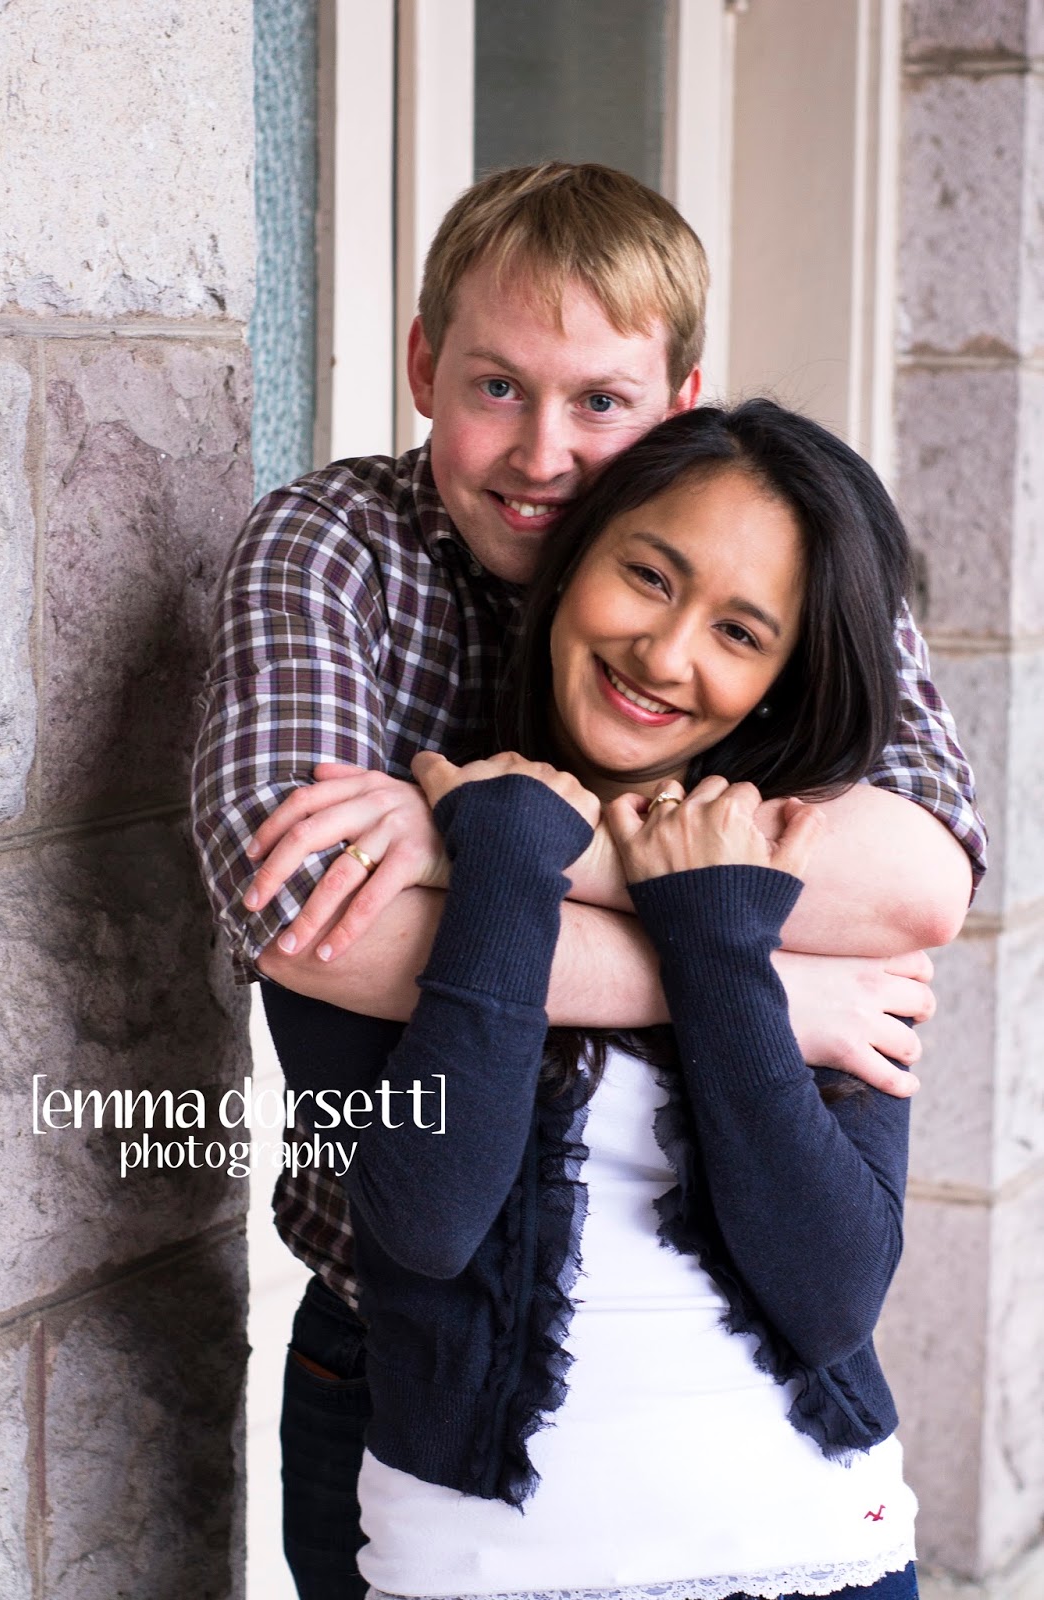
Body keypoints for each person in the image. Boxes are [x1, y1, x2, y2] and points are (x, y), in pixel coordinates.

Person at [190, 165, 984, 1597]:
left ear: (676, 407)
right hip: (417, 1388)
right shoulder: (336, 547)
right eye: (496, 386)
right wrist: (763, 985)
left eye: (601, 402)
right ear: (422, 365)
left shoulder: (779, 557)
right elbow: (306, 917)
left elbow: (916, 886)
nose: (543, 455)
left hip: (776, 1469)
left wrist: (483, 835)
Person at [269, 400, 929, 1600]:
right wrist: (503, 858)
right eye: (648, 576)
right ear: (571, 564)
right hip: (479, 1572)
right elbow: (425, 1227)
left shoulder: (800, 885)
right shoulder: (401, 853)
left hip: (825, 1553)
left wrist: (717, 936)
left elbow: (834, 1292)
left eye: (738, 630)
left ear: (778, 681)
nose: (665, 654)